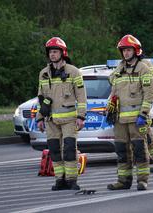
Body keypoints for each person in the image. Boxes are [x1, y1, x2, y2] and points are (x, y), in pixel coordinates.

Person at [106, 34, 153, 191]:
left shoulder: (143, 69)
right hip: (120, 120)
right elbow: (113, 91)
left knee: (139, 150)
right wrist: (109, 110)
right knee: (121, 150)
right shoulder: (119, 70)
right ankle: (123, 180)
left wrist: (143, 114)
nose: (126, 53)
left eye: (129, 50)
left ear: (136, 51)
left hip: (137, 119)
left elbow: (150, 93)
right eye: (124, 51)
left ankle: (142, 180)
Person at [36, 37, 87, 191]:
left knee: (70, 149)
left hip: (69, 119)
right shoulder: (44, 73)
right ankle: (60, 180)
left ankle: (71, 180)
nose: (52, 55)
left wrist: (81, 116)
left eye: (55, 52)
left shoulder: (73, 72)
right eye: (50, 52)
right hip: (50, 120)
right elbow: (41, 97)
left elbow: (81, 96)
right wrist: (39, 118)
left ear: (62, 53)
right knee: (54, 150)